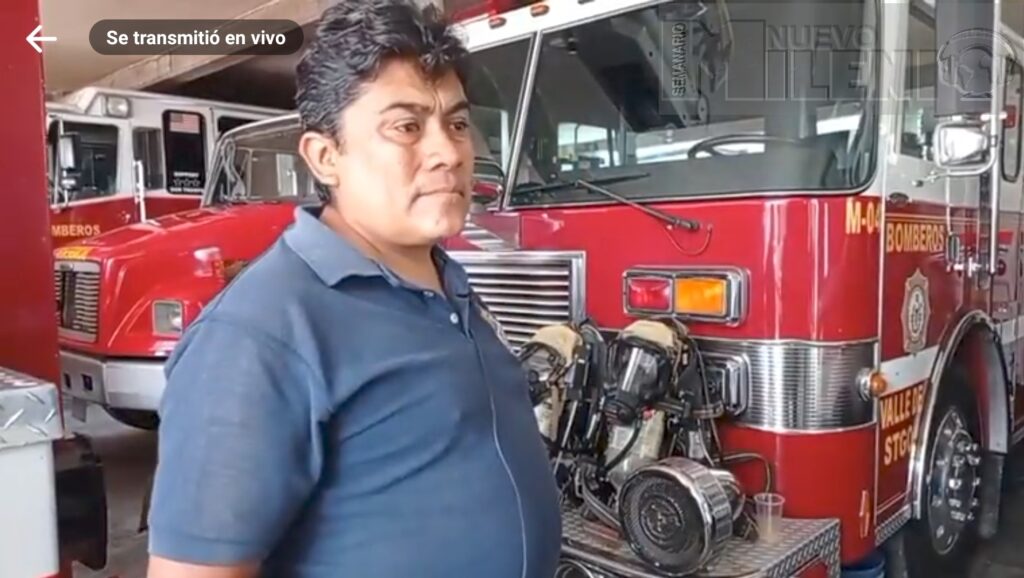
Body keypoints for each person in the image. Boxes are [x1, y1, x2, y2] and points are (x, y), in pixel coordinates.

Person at [144, 1, 562, 577]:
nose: (449, 153)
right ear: (325, 157)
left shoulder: (449, 283)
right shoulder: (258, 335)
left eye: (458, 124)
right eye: (407, 127)